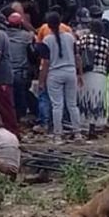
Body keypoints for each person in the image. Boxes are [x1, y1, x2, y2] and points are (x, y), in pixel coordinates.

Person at [37, 11, 83, 143]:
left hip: (54, 73)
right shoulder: (70, 37)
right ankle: (77, 133)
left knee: (57, 105)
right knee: (72, 105)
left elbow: (45, 63)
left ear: (48, 26)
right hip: (70, 71)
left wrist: (41, 81)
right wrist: (79, 74)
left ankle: (58, 135)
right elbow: (77, 57)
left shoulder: (46, 40)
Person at [77, 19, 109, 138]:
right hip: (101, 73)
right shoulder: (107, 42)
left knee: (85, 98)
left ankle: (85, 125)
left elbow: (77, 54)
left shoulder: (84, 39)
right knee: (97, 99)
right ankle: (95, 125)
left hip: (87, 72)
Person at [7, 12, 34, 120]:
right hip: (20, 71)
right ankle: (21, 117)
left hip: (7, 71)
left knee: (9, 97)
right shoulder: (26, 36)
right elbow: (32, 38)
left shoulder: (4, 34)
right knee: (21, 95)